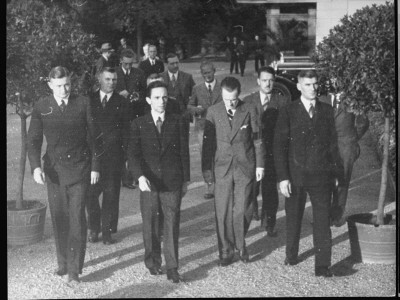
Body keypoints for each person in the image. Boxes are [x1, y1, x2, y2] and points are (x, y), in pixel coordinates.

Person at [27, 66, 103, 284]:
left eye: (67, 84)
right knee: (60, 218)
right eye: (59, 85)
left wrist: (95, 166)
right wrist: (35, 167)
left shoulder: (83, 103)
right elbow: (33, 140)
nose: (64, 89)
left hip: (79, 170)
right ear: (50, 85)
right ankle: (63, 263)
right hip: (54, 172)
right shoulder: (42, 106)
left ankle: (74, 269)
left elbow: (94, 138)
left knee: (77, 218)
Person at [273, 70, 342, 277]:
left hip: (321, 176)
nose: (313, 88)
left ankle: (322, 266)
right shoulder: (288, 111)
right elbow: (279, 146)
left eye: (315, 84)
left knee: (322, 221)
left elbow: (332, 145)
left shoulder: (327, 111)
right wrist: (283, 178)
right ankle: (291, 255)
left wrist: (336, 173)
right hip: (295, 176)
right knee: (293, 217)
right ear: (299, 86)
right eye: (308, 85)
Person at [128, 80, 190, 283]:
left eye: (164, 97)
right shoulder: (138, 124)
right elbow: (133, 155)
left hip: (172, 182)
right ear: (148, 100)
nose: (161, 101)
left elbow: (184, 152)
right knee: (151, 224)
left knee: (172, 225)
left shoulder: (177, 121)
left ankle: (173, 267)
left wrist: (185, 180)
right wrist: (139, 176)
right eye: (156, 97)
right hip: (149, 183)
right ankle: (153, 261)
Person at [202, 77, 265, 267]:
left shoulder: (250, 109)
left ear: (239, 94)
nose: (231, 103)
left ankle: (240, 242)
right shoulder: (213, 112)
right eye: (227, 98)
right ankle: (226, 250)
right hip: (222, 167)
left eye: (234, 99)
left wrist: (260, 165)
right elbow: (208, 145)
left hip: (245, 166)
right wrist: (207, 172)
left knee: (244, 209)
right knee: (222, 211)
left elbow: (258, 140)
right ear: (221, 94)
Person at [86, 67, 131, 245]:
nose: (111, 83)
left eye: (114, 79)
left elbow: (127, 131)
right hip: (92, 158)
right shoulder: (89, 100)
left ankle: (106, 232)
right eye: (107, 79)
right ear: (99, 79)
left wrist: (126, 157)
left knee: (111, 196)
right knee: (90, 195)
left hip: (114, 157)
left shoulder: (122, 102)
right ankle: (93, 227)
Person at [243, 66, 289, 235]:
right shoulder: (248, 100)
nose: (267, 83)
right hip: (253, 152)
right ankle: (251, 214)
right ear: (258, 82)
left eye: (270, 80)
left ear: (274, 81)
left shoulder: (282, 101)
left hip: (272, 153)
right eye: (264, 80)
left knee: (270, 190)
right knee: (251, 189)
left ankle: (269, 223)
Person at [319, 81, 369, 227]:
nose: (335, 82)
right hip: (325, 146)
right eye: (332, 79)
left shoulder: (353, 100)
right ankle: (323, 216)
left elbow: (363, 122)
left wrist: (352, 138)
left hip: (345, 145)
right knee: (323, 180)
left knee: (342, 181)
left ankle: (337, 216)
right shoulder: (322, 98)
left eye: (337, 78)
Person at [187, 61, 222, 200]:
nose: (207, 75)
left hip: (221, 127)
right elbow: (189, 105)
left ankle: (221, 184)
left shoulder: (222, 87)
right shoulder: (197, 88)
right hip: (203, 127)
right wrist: (196, 110)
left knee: (221, 155)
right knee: (206, 157)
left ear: (214, 71)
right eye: (204, 73)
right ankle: (210, 185)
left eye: (209, 72)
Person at [115, 48, 147, 190]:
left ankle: (134, 176)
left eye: (131, 64)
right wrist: (118, 94)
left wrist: (137, 96)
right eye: (126, 63)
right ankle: (125, 178)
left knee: (135, 147)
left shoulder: (139, 73)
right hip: (119, 117)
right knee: (121, 149)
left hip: (135, 115)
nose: (129, 67)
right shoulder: (113, 73)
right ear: (121, 61)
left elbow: (145, 92)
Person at [160, 52, 195, 136]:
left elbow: (195, 94)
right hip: (166, 115)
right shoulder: (160, 77)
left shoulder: (187, 77)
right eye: (172, 63)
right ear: (166, 64)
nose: (175, 65)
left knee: (184, 141)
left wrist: (190, 109)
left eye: (177, 62)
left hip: (183, 115)